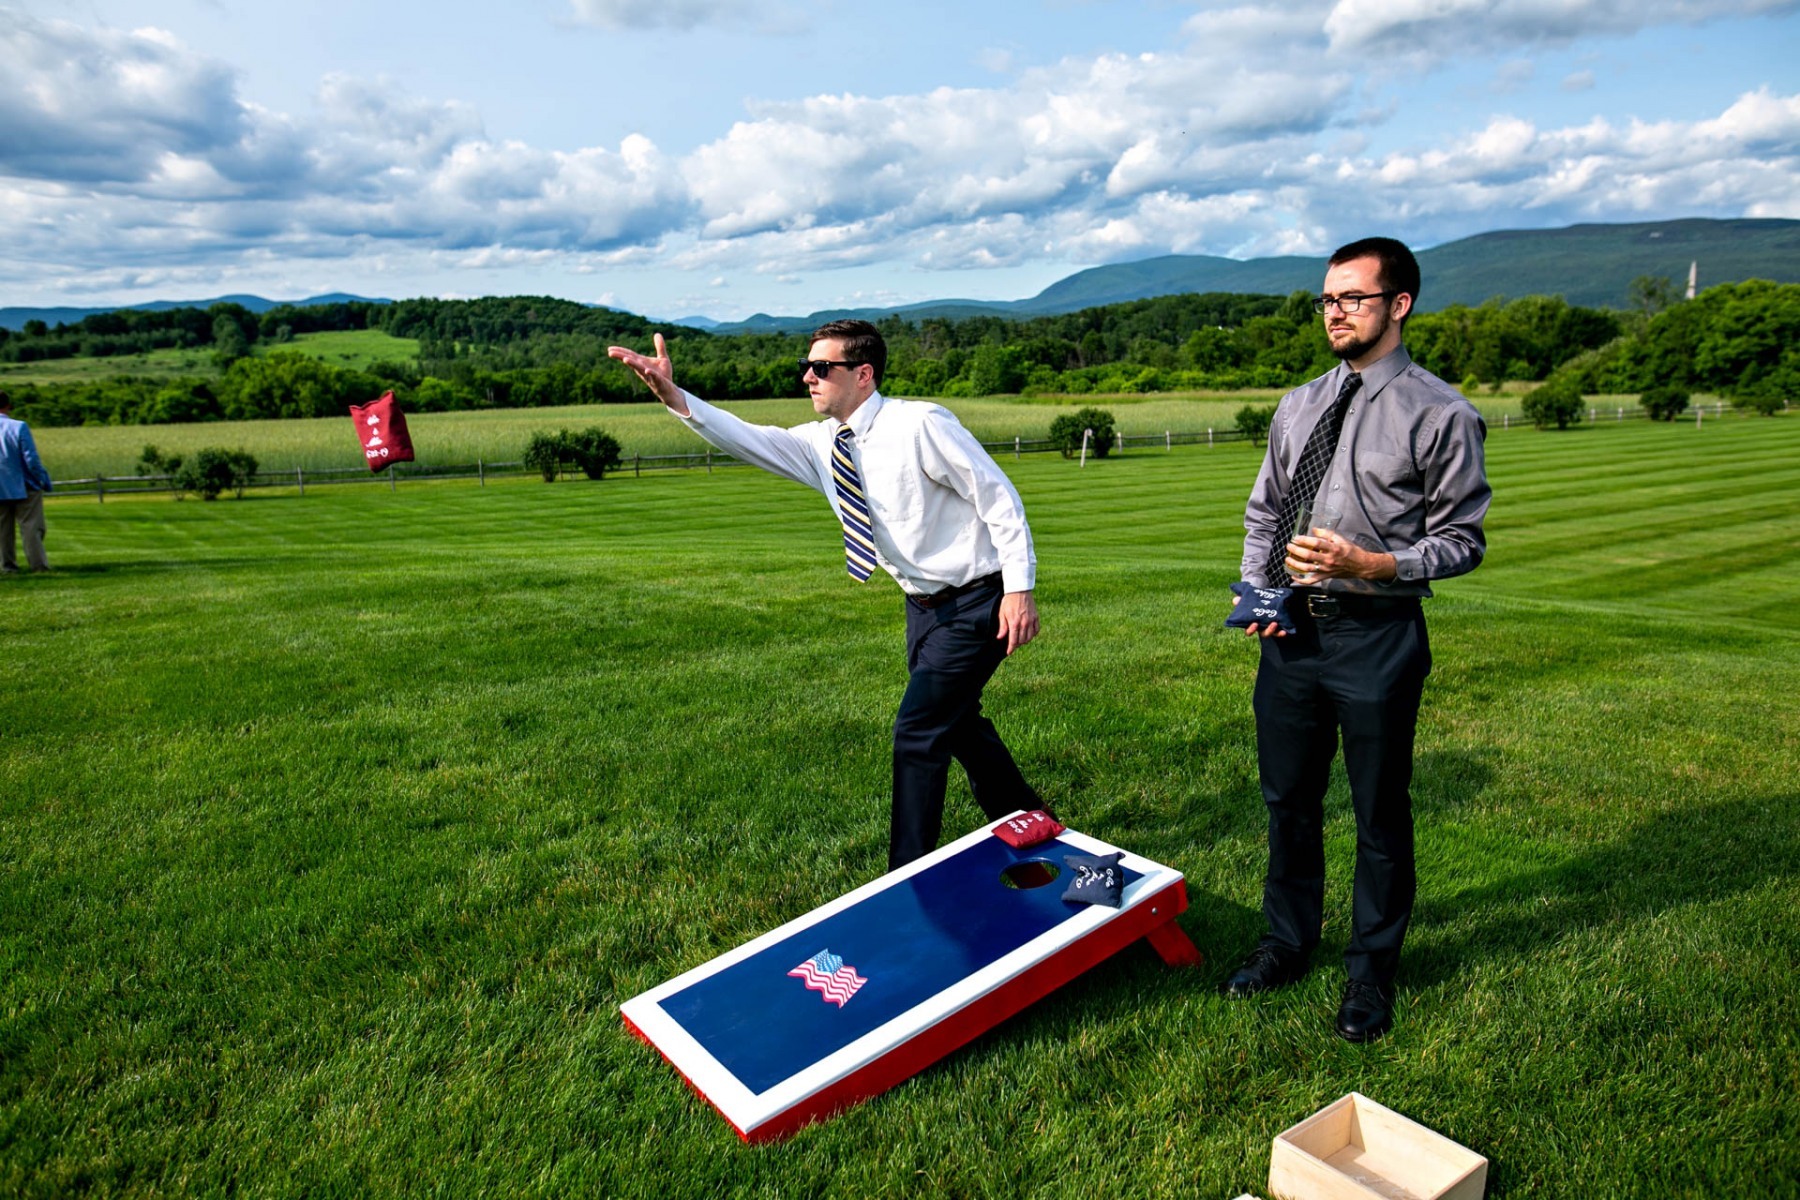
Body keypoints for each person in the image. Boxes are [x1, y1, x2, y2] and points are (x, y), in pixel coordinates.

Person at [608, 320, 1046, 869]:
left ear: (863, 374)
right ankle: (1029, 817)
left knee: (918, 731)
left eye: (822, 368)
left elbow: (998, 499)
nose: (808, 378)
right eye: (805, 367)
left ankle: (903, 877)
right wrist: (674, 396)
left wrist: (1019, 590)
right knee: (955, 721)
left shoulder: (921, 425)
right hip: (923, 608)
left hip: (978, 599)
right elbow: (747, 436)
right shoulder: (822, 444)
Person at [1224, 238, 1490, 1042]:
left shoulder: (1441, 412)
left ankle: (1370, 974)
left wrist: (1372, 563)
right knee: (1288, 801)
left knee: (1379, 812)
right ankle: (1285, 944)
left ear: (1399, 305)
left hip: (1377, 634)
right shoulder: (1300, 401)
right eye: (1327, 299)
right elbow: (1267, 511)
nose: (1335, 312)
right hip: (1291, 634)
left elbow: (1462, 540)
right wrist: (1259, 598)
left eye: (1353, 298)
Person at [0, 391, 53, 574]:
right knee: (31, 526)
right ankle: (38, 564)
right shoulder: (19, 426)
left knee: (3, 530)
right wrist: (42, 479)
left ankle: (7, 565)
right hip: (24, 485)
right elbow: (31, 459)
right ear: (7, 406)